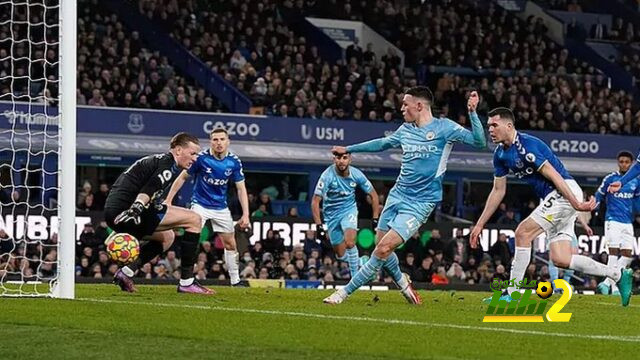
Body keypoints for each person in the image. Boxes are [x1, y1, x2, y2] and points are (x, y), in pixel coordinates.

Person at [323, 87, 486, 305]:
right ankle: (404, 286)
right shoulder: (405, 129)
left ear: (419, 106)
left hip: (420, 203)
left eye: (405, 104)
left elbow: (479, 142)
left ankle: (342, 293)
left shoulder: (445, 128)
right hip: (396, 196)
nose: (401, 108)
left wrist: (473, 113)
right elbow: (381, 144)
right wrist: (348, 149)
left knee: (382, 250)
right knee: (380, 247)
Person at [470, 107, 632, 306]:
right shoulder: (500, 155)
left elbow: (554, 175)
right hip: (554, 197)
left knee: (522, 233)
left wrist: (576, 203)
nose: (490, 130)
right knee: (561, 259)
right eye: (488, 126)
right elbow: (498, 191)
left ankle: (512, 293)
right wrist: (479, 224)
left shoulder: (527, 146)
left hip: (563, 191)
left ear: (509, 125)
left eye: (494, 125)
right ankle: (617, 274)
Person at [105, 132, 214, 294]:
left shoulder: (158, 161)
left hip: (116, 212)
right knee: (194, 219)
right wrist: (137, 207)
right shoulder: (168, 163)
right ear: (178, 151)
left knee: (167, 237)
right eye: (192, 153)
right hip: (130, 211)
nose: (195, 158)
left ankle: (126, 273)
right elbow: (151, 186)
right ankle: (187, 282)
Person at [165, 128, 250, 286]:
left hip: (220, 207)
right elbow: (182, 178)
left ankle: (235, 281)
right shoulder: (201, 159)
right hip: (199, 205)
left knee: (231, 243)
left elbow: (241, 189)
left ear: (228, 141)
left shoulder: (234, 162)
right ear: (210, 142)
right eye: (215, 140)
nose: (219, 143)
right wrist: (168, 200)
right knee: (192, 239)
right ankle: (187, 279)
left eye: (222, 139)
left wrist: (246, 215)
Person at [311, 152, 380, 279]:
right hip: (331, 215)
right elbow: (315, 201)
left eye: (344, 158)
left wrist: (375, 218)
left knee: (350, 243)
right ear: (334, 159)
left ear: (350, 160)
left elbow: (374, 195)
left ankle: (355, 279)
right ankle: (362, 261)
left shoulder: (357, 174)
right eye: (338, 158)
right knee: (340, 255)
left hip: (349, 210)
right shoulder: (327, 176)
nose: (341, 161)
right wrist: (319, 226)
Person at [595, 151, 639, 295]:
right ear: (618, 162)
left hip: (628, 221)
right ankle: (614, 288)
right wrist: (593, 204)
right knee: (613, 253)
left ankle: (607, 283)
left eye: (627, 162)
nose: (624, 164)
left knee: (627, 255)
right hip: (612, 220)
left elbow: (637, 201)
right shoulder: (610, 178)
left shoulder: (636, 180)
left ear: (632, 163)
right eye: (621, 161)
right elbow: (599, 194)